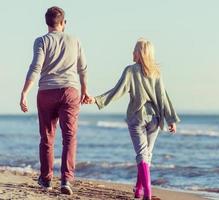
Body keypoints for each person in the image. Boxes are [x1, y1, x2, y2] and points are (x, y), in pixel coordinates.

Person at [86, 38, 180, 200]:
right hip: (155, 118)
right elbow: (163, 97)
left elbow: (117, 91)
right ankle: (138, 190)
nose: (132, 53)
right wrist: (171, 119)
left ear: (141, 54)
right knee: (146, 154)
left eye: (135, 50)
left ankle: (147, 193)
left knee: (142, 154)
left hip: (137, 117)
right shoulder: (156, 73)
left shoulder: (131, 71)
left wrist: (97, 100)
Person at [20, 6, 91, 195]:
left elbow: (36, 67)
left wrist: (24, 92)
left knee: (47, 137)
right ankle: (66, 180)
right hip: (70, 91)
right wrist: (85, 90)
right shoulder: (74, 40)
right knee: (69, 137)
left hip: (46, 92)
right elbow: (82, 68)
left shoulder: (41, 41)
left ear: (47, 23)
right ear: (63, 23)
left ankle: (46, 179)